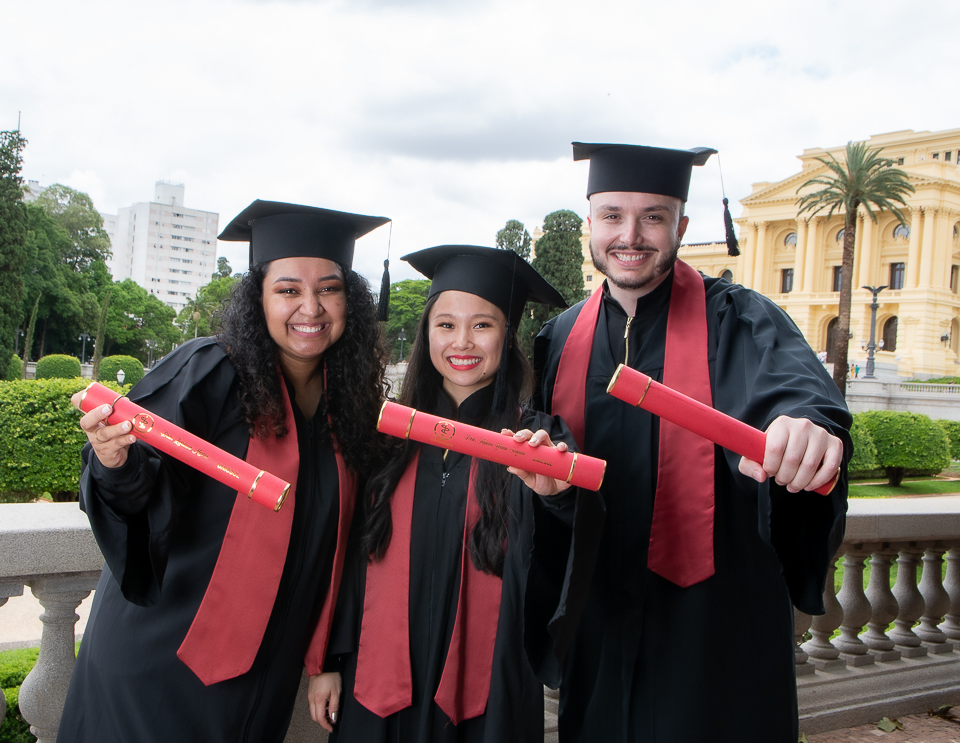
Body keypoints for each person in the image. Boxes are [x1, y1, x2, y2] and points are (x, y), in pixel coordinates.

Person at [531, 144, 852, 743]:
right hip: (600, 624)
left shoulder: (745, 321)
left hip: (715, 628)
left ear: (681, 226)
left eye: (653, 216)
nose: (631, 235)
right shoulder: (558, 337)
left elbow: (800, 397)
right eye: (612, 216)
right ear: (589, 226)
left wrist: (806, 430)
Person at [57, 200, 391, 742]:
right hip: (165, 656)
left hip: (267, 666)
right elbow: (141, 487)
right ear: (257, 298)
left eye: (328, 288)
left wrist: (326, 657)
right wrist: (114, 459)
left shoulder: (348, 409)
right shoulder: (208, 373)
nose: (310, 306)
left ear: (348, 299)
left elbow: (348, 543)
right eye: (288, 290)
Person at [309, 245, 604, 743]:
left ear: (507, 336)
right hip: (375, 683)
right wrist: (330, 660)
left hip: (490, 686)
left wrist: (557, 497)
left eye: (482, 325)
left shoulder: (536, 442)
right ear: (426, 334)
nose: (461, 341)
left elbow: (572, 553)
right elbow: (350, 557)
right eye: (445, 324)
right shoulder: (389, 437)